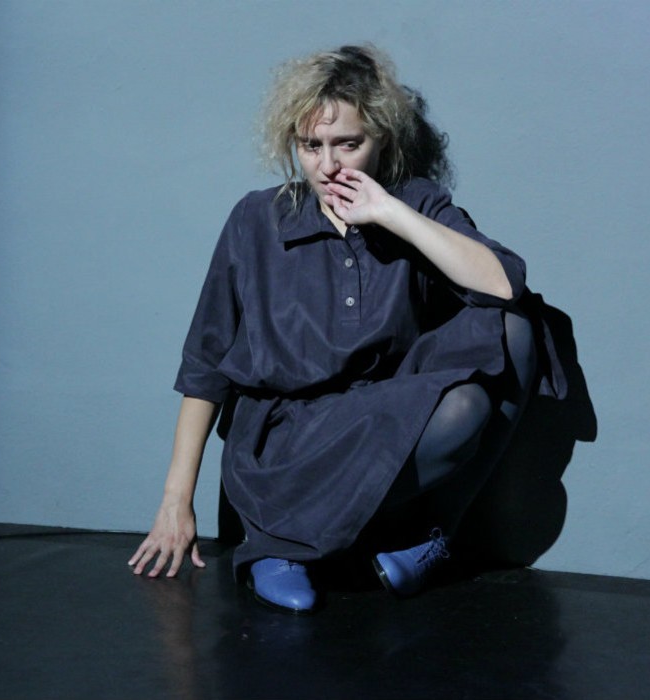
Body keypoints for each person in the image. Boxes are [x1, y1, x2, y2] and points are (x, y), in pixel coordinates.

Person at [128, 44, 555, 614]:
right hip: (288, 440)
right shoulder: (256, 219)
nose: (328, 165)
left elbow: (504, 284)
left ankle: (429, 538)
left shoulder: (415, 202)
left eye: (348, 144)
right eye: (311, 146)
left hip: (379, 413)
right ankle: (281, 544)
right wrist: (175, 501)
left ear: (382, 139)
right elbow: (205, 364)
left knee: (516, 327)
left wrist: (391, 215)